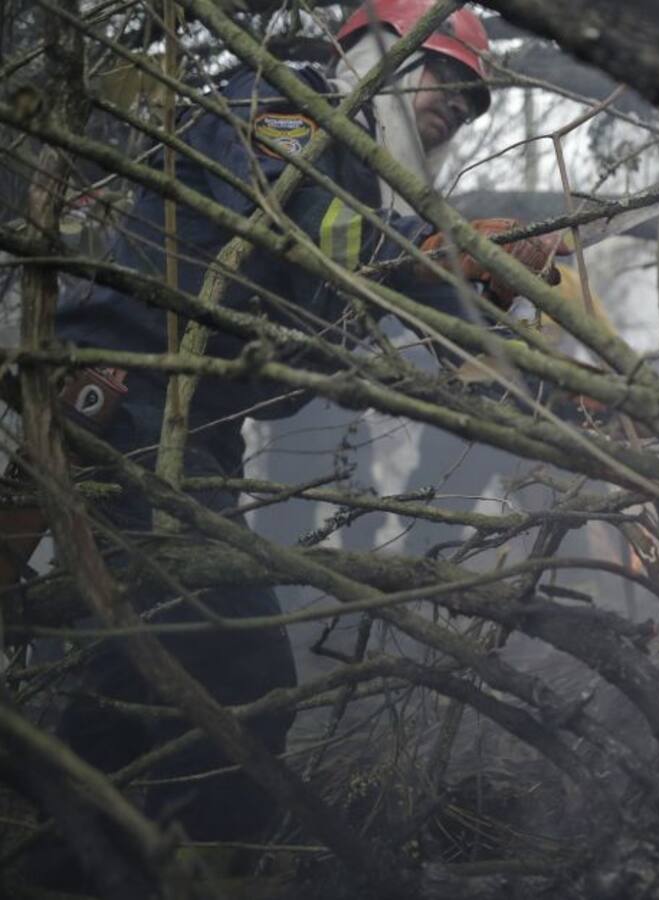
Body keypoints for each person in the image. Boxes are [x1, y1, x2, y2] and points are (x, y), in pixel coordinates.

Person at [19, 0, 566, 887]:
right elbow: (305, 253)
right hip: (135, 401)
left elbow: (354, 294)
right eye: (446, 77)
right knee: (239, 677)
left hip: (184, 422)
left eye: (471, 103)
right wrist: (441, 256)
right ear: (378, 50)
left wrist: (474, 294)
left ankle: (58, 866)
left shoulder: (358, 172)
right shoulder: (285, 108)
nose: (455, 107)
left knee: (137, 680)